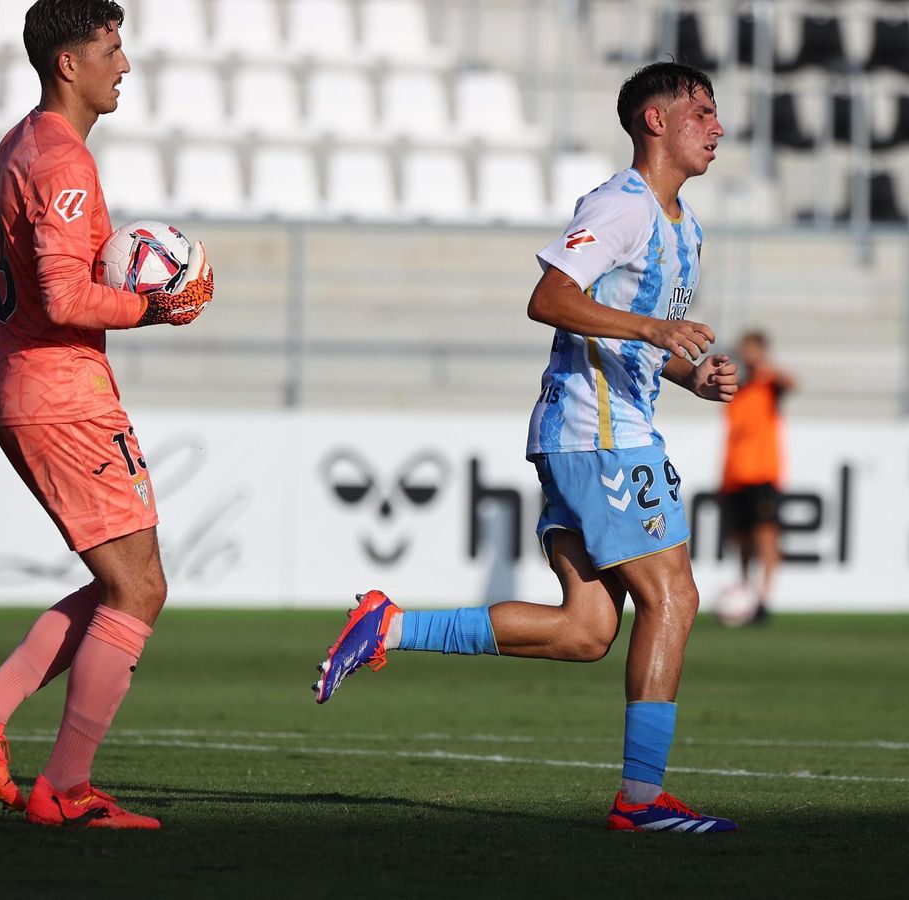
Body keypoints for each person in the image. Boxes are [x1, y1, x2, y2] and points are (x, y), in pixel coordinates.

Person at [311, 62, 740, 834]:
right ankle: (640, 802)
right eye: (702, 111)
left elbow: (634, 338)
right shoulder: (622, 206)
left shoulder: (686, 227)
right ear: (655, 120)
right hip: (599, 434)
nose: (717, 126)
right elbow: (550, 297)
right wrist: (654, 330)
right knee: (674, 596)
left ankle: (389, 625)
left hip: (597, 431)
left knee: (585, 631)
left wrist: (689, 372)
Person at [0, 0, 214, 830]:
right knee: (141, 589)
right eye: (111, 49)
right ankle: (67, 789)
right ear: (68, 63)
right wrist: (156, 307)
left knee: (122, 584)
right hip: (60, 395)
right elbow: (61, 296)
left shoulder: (23, 143)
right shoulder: (59, 161)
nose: (123, 65)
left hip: (34, 387)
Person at [719, 331, 797, 624]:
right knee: (741, 542)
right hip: (734, 476)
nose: (747, 355)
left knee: (766, 537)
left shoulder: (769, 384)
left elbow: (792, 382)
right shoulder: (737, 389)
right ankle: (745, 590)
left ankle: (763, 600)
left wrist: (764, 365)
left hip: (762, 474)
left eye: (752, 350)